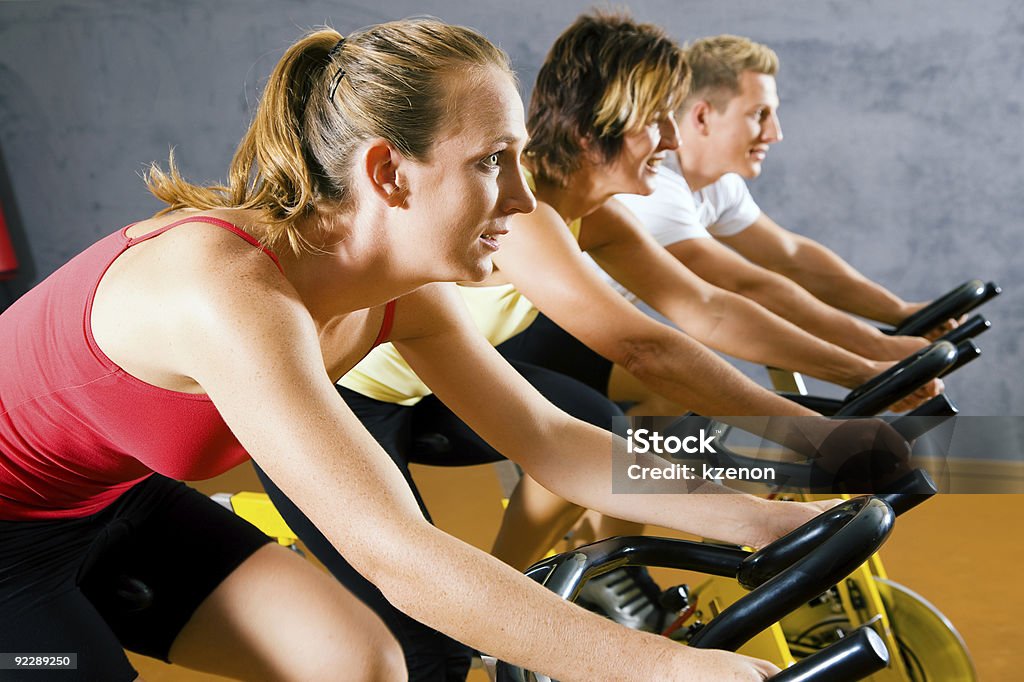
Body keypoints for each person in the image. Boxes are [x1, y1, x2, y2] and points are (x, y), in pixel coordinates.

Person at [0, 18, 851, 682]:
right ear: (387, 173)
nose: (521, 199)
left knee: (360, 664)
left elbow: (557, 444)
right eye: (491, 162)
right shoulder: (223, 289)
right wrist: (665, 665)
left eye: (519, 159)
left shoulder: (404, 290)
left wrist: (776, 516)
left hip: (113, 505)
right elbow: (397, 556)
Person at [593, 35, 955, 367]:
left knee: (688, 405)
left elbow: (791, 258)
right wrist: (875, 349)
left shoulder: (719, 186)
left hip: (591, 342)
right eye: (758, 114)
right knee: (686, 394)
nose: (775, 133)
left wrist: (902, 314)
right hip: (554, 341)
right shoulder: (656, 188)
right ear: (703, 116)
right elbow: (744, 286)